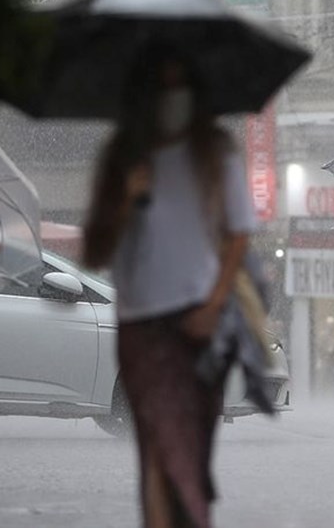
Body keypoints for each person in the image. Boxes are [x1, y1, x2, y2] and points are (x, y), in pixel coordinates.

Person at [82, 50, 257, 528]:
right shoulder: (122, 157)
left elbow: (238, 233)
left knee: (191, 452)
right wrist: (125, 201)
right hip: (142, 325)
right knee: (158, 449)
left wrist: (214, 302)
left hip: (202, 322)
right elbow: (95, 250)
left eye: (180, 85)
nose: (171, 98)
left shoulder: (215, 153)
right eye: (161, 86)